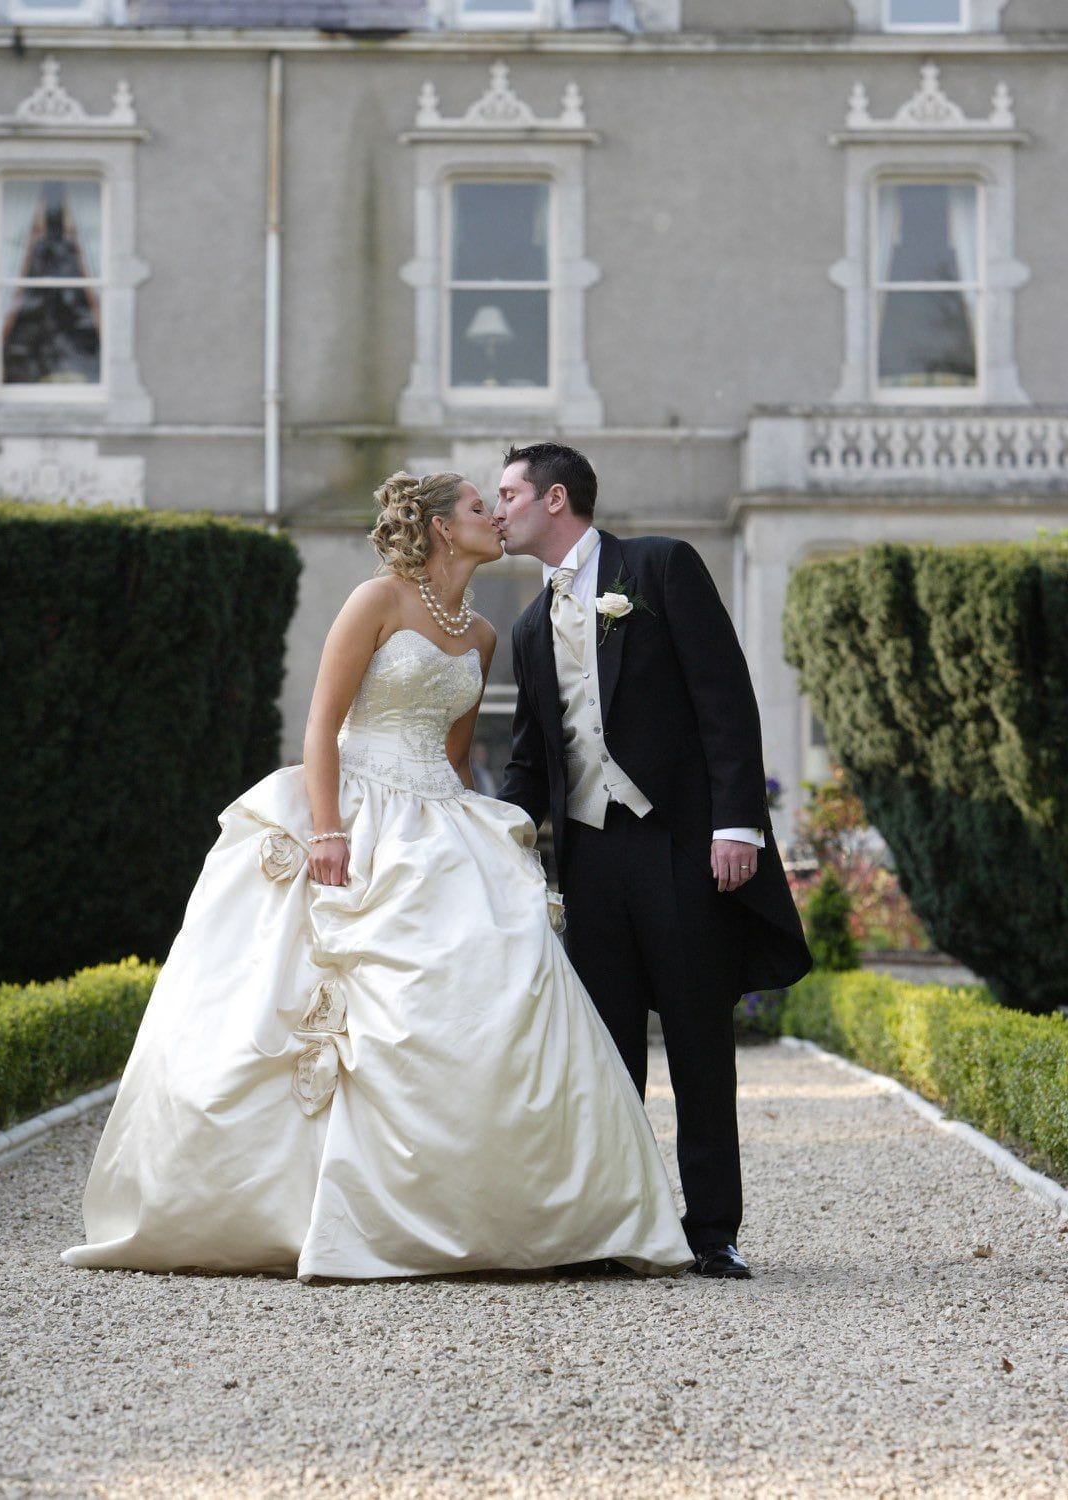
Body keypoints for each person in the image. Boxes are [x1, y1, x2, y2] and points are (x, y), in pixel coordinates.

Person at [62, 470, 693, 1281]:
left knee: (489, 995)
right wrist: (327, 832)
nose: (495, 517)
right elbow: (322, 725)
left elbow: (458, 759)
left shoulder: (481, 636)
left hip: (436, 819)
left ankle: (493, 1207)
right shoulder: (377, 601)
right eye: (477, 508)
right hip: (353, 810)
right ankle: (289, 1206)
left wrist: (491, 848)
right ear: (437, 527)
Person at [494, 443, 812, 1280]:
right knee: (605, 1051)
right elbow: (533, 760)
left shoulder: (661, 566)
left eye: (509, 494)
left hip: (680, 844)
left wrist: (739, 823)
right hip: (592, 859)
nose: (497, 511)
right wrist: (489, 844)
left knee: (700, 1039)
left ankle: (713, 1232)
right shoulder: (530, 627)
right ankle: (616, 1223)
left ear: (555, 498)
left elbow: (724, 695)